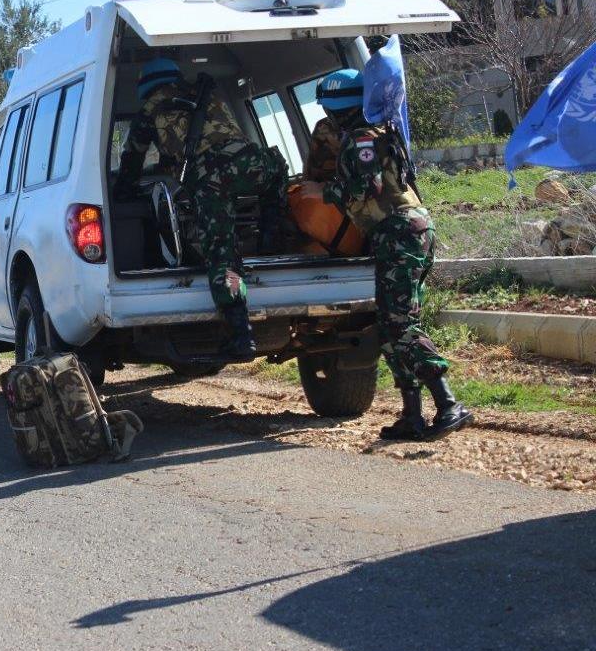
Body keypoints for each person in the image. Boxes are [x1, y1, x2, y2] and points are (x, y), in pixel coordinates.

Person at [307, 68, 472, 441]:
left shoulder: (362, 139)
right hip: (404, 233)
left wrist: (325, 192)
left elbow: (369, 186)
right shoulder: (381, 132)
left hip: (399, 233)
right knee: (389, 325)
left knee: (400, 326)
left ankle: (448, 403)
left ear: (336, 107)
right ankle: (412, 415)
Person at [116, 57, 289, 358]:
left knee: (223, 255)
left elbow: (132, 159)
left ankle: (241, 334)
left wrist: (123, 190)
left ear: (146, 86)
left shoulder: (150, 108)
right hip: (253, 162)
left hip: (212, 178)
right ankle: (271, 236)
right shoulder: (206, 93)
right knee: (277, 171)